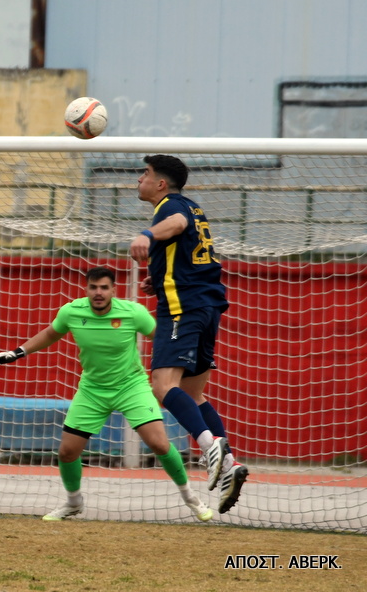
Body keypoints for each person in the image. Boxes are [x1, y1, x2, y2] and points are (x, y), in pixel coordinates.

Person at [0, 267, 213, 522]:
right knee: (67, 452)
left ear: (113, 290)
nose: (98, 293)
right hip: (92, 390)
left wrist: (191, 360)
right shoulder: (72, 311)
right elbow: (51, 333)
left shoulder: (133, 312)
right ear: (86, 289)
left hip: (132, 387)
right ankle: (73, 503)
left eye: (104, 288)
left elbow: (163, 338)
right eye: (93, 287)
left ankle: (191, 498)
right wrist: (17, 352)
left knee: (160, 444)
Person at [128, 154, 248, 514]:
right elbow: (187, 249)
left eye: (145, 174)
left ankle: (211, 447)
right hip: (207, 307)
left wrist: (146, 234)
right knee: (194, 394)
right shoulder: (193, 207)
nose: (139, 180)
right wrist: (159, 277)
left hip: (184, 309)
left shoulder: (173, 207)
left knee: (163, 387)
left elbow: (176, 224)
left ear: (160, 183)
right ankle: (229, 465)